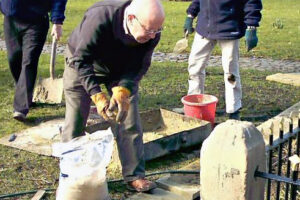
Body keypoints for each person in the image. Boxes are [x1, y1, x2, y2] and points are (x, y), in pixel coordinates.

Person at [63, 0, 165, 192]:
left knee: (129, 118)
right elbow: (81, 59)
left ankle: (134, 175)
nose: (153, 35)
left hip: (119, 70)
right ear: (131, 18)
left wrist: (124, 89)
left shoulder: (152, 31)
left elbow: (139, 65)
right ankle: (71, 176)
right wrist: (96, 94)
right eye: (149, 30)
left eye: (157, 30)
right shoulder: (100, 17)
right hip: (83, 63)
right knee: (75, 117)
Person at [178, 0, 262, 120]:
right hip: (204, 27)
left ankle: (234, 110)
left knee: (230, 72)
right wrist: (190, 15)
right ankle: (194, 104)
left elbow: (252, 2)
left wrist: (251, 26)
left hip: (230, 27)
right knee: (194, 67)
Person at [0, 0, 67, 121]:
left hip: (36, 21)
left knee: (29, 61)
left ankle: (20, 108)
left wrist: (57, 21)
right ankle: (26, 95)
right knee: (13, 60)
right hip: (11, 21)